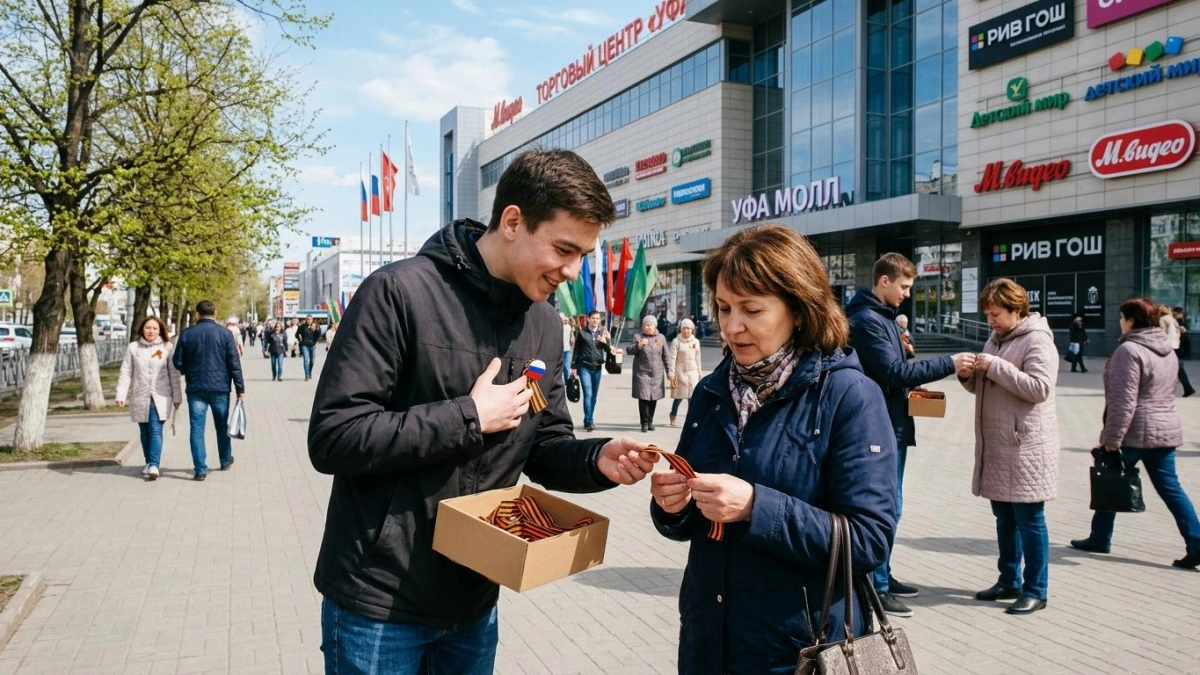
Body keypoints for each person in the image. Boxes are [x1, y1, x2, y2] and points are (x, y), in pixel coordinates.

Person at [307, 148, 659, 675]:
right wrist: (469, 415)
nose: (573, 270)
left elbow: (545, 445)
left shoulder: (543, 325)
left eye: (584, 253)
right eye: (564, 249)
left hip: (474, 600)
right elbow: (334, 436)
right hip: (379, 602)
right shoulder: (399, 292)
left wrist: (598, 459)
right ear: (513, 221)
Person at [650, 224, 897, 674]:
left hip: (797, 652)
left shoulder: (849, 396)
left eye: (751, 310)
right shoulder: (711, 390)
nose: (732, 326)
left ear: (799, 310)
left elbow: (869, 539)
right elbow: (695, 515)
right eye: (724, 308)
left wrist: (755, 507)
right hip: (709, 641)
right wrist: (673, 505)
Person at [846, 253, 976, 618]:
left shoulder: (882, 318)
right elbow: (892, 372)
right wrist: (949, 363)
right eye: (903, 287)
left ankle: (883, 575)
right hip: (878, 426)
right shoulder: (867, 320)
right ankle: (876, 585)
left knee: (892, 505)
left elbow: (898, 368)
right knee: (884, 507)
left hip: (892, 423)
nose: (906, 294)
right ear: (884, 281)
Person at [1070, 297, 1200, 569]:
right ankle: (1197, 543)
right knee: (1171, 488)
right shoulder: (1167, 348)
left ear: (1132, 320)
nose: (1119, 322)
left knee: (1109, 476)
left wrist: (1111, 441)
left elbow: (1123, 401)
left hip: (1135, 432)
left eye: (1121, 318)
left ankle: (1100, 538)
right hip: (1165, 429)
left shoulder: (1129, 350)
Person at [959, 278, 1059, 616]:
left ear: (1017, 310)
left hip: (1024, 447)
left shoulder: (1037, 340)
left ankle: (1036, 590)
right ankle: (1009, 580)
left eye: (996, 314)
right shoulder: (996, 339)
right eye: (987, 314)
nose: (991, 320)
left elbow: (1040, 388)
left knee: (1030, 519)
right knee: (1004, 518)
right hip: (1000, 446)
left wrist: (996, 366)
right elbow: (985, 388)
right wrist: (968, 375)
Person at [173, 300, 245, 480]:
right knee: (221, 426)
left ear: (197, 314)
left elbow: (177, 362)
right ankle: (225, 459)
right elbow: (234, 364)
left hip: (195, 388)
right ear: (215, 313)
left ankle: (200, 469)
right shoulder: (225, 334)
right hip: (220, 388)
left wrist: (188, 371)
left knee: (197, 429)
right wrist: (240, 389)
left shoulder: (187, 334)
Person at [115, 316, 182, 481]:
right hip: (140, 395)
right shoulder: (133, 348)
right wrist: (120, 394)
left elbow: (174, 374)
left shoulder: (167, 347)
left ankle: (154, 464)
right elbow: (126, 372)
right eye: (148, 328)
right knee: (144, 432)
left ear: (160, 330)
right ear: (142, 330)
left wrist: (177, 396)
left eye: (154, 328)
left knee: (155, 430)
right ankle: (149, 462)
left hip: (161, 395)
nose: (151, 331)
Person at [570, 310, 613, 432]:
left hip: (597, 368)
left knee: (594, 396)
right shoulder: (582, 333)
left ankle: (588, 418)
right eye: (593, 318)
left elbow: (610, 350)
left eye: (597, 318)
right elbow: (577, 351)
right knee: (588, 394)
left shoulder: (602, 333)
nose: (595, 320)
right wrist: (574, 367)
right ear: (588, 319)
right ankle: (589, 421)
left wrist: (606, 342)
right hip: (584, 367)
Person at [628, 314, 669, 432]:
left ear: (654, 326)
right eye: (646, 325)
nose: (648, 327)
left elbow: (666, 355)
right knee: (643, 398)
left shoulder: (661, 338)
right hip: (642, 373)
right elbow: (629, 350)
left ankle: (650, 421)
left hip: (657, 374)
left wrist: (669, 371)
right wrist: (638, 345)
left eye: (650, 325)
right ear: (643, 326)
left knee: (653, 398)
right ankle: (644, 423)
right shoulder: (638, 337)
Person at [667, 317, 701, 426]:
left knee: (692, 398)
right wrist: (671, 372)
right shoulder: (676, 342)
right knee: (679, 398)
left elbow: (698, 357)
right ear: (681, 329)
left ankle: (691, 419)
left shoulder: (696, 341)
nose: (687, 331)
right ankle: (673, 415)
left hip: (693, 372)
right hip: (680, 372)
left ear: (692, 330)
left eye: (689, 328)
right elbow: (672, 358)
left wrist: (699, 371)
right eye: (684, 328)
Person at [1161, 306, 1195, 397]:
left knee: (1176, 368)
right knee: (1178, 368)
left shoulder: (1168, 320)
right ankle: (1187, 388)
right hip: (1177, 347)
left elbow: (1169, 334)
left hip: (1174, 347)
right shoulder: (1175, 321)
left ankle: (1187, 388)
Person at [297, 316, 318, 381]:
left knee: (312, 361)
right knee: (306, 360)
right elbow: (297, 334)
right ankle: (306, 375)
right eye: (308, 319)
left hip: (312, 346)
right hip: (305, 345)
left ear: (312, 320)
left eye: (310, 319)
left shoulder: (315, 326)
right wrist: (300, 340)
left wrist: (316, 342)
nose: (309, 320)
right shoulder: (302, 327)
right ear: (306, 320)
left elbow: (318, 335)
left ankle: (309, 372)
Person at [560, 312, 573, 385]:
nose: (565, 321)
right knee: (560, 367)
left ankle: (567, 383)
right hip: (559, 350)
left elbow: (571, 338)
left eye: (565, 320)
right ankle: (560, 382)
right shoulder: (557, 327)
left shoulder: (568, 327)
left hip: (567, 349)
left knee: (566, 367)